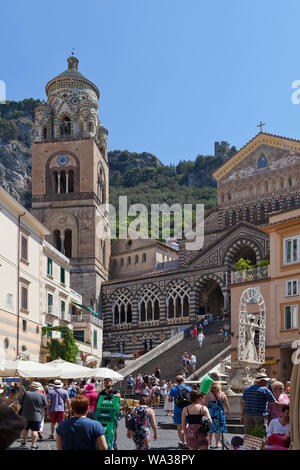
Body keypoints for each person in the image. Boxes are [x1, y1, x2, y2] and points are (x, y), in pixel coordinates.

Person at [18, 382, 48, 449]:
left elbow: (20, 403)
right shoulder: (42, 395)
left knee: (25, 429)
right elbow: (45, 405)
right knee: (34, 430)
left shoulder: (25, 393)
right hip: (36, 416)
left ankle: (24, 443)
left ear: (30, 387)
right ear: (37, 388)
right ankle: (33, 445)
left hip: (25, 415)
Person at [204, 381, 230, 449]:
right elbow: (226, 403)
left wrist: (204, 414)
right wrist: (228, 411)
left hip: (210, 413)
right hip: (219, 413)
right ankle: (217, 444)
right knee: (218, 430)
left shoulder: (208, 394)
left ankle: (209, 443)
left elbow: (205, 405)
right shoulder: (222, 394)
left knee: (210, 429)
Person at [168, 375, 192, 449]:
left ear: (176, 381)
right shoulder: (188, 388)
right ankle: (189, 441)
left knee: (179, 426)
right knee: (188, 424)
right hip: (188, 409)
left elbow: (169, 399)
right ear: (183, 380)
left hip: (178, 409)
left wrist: (175, 399)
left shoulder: (173, 389)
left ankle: (183, 442)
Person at [98, 378, 121, 450]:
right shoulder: (101, 393)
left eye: (108, 382)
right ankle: (105, 441)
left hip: (113, 413)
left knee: (114, 428)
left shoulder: (115, 391)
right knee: (104, 428)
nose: (106, 384)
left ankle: (114, 442)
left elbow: (118, 395)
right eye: (105, 382)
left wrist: (110, 396)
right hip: (104, 413)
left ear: (111, 383)